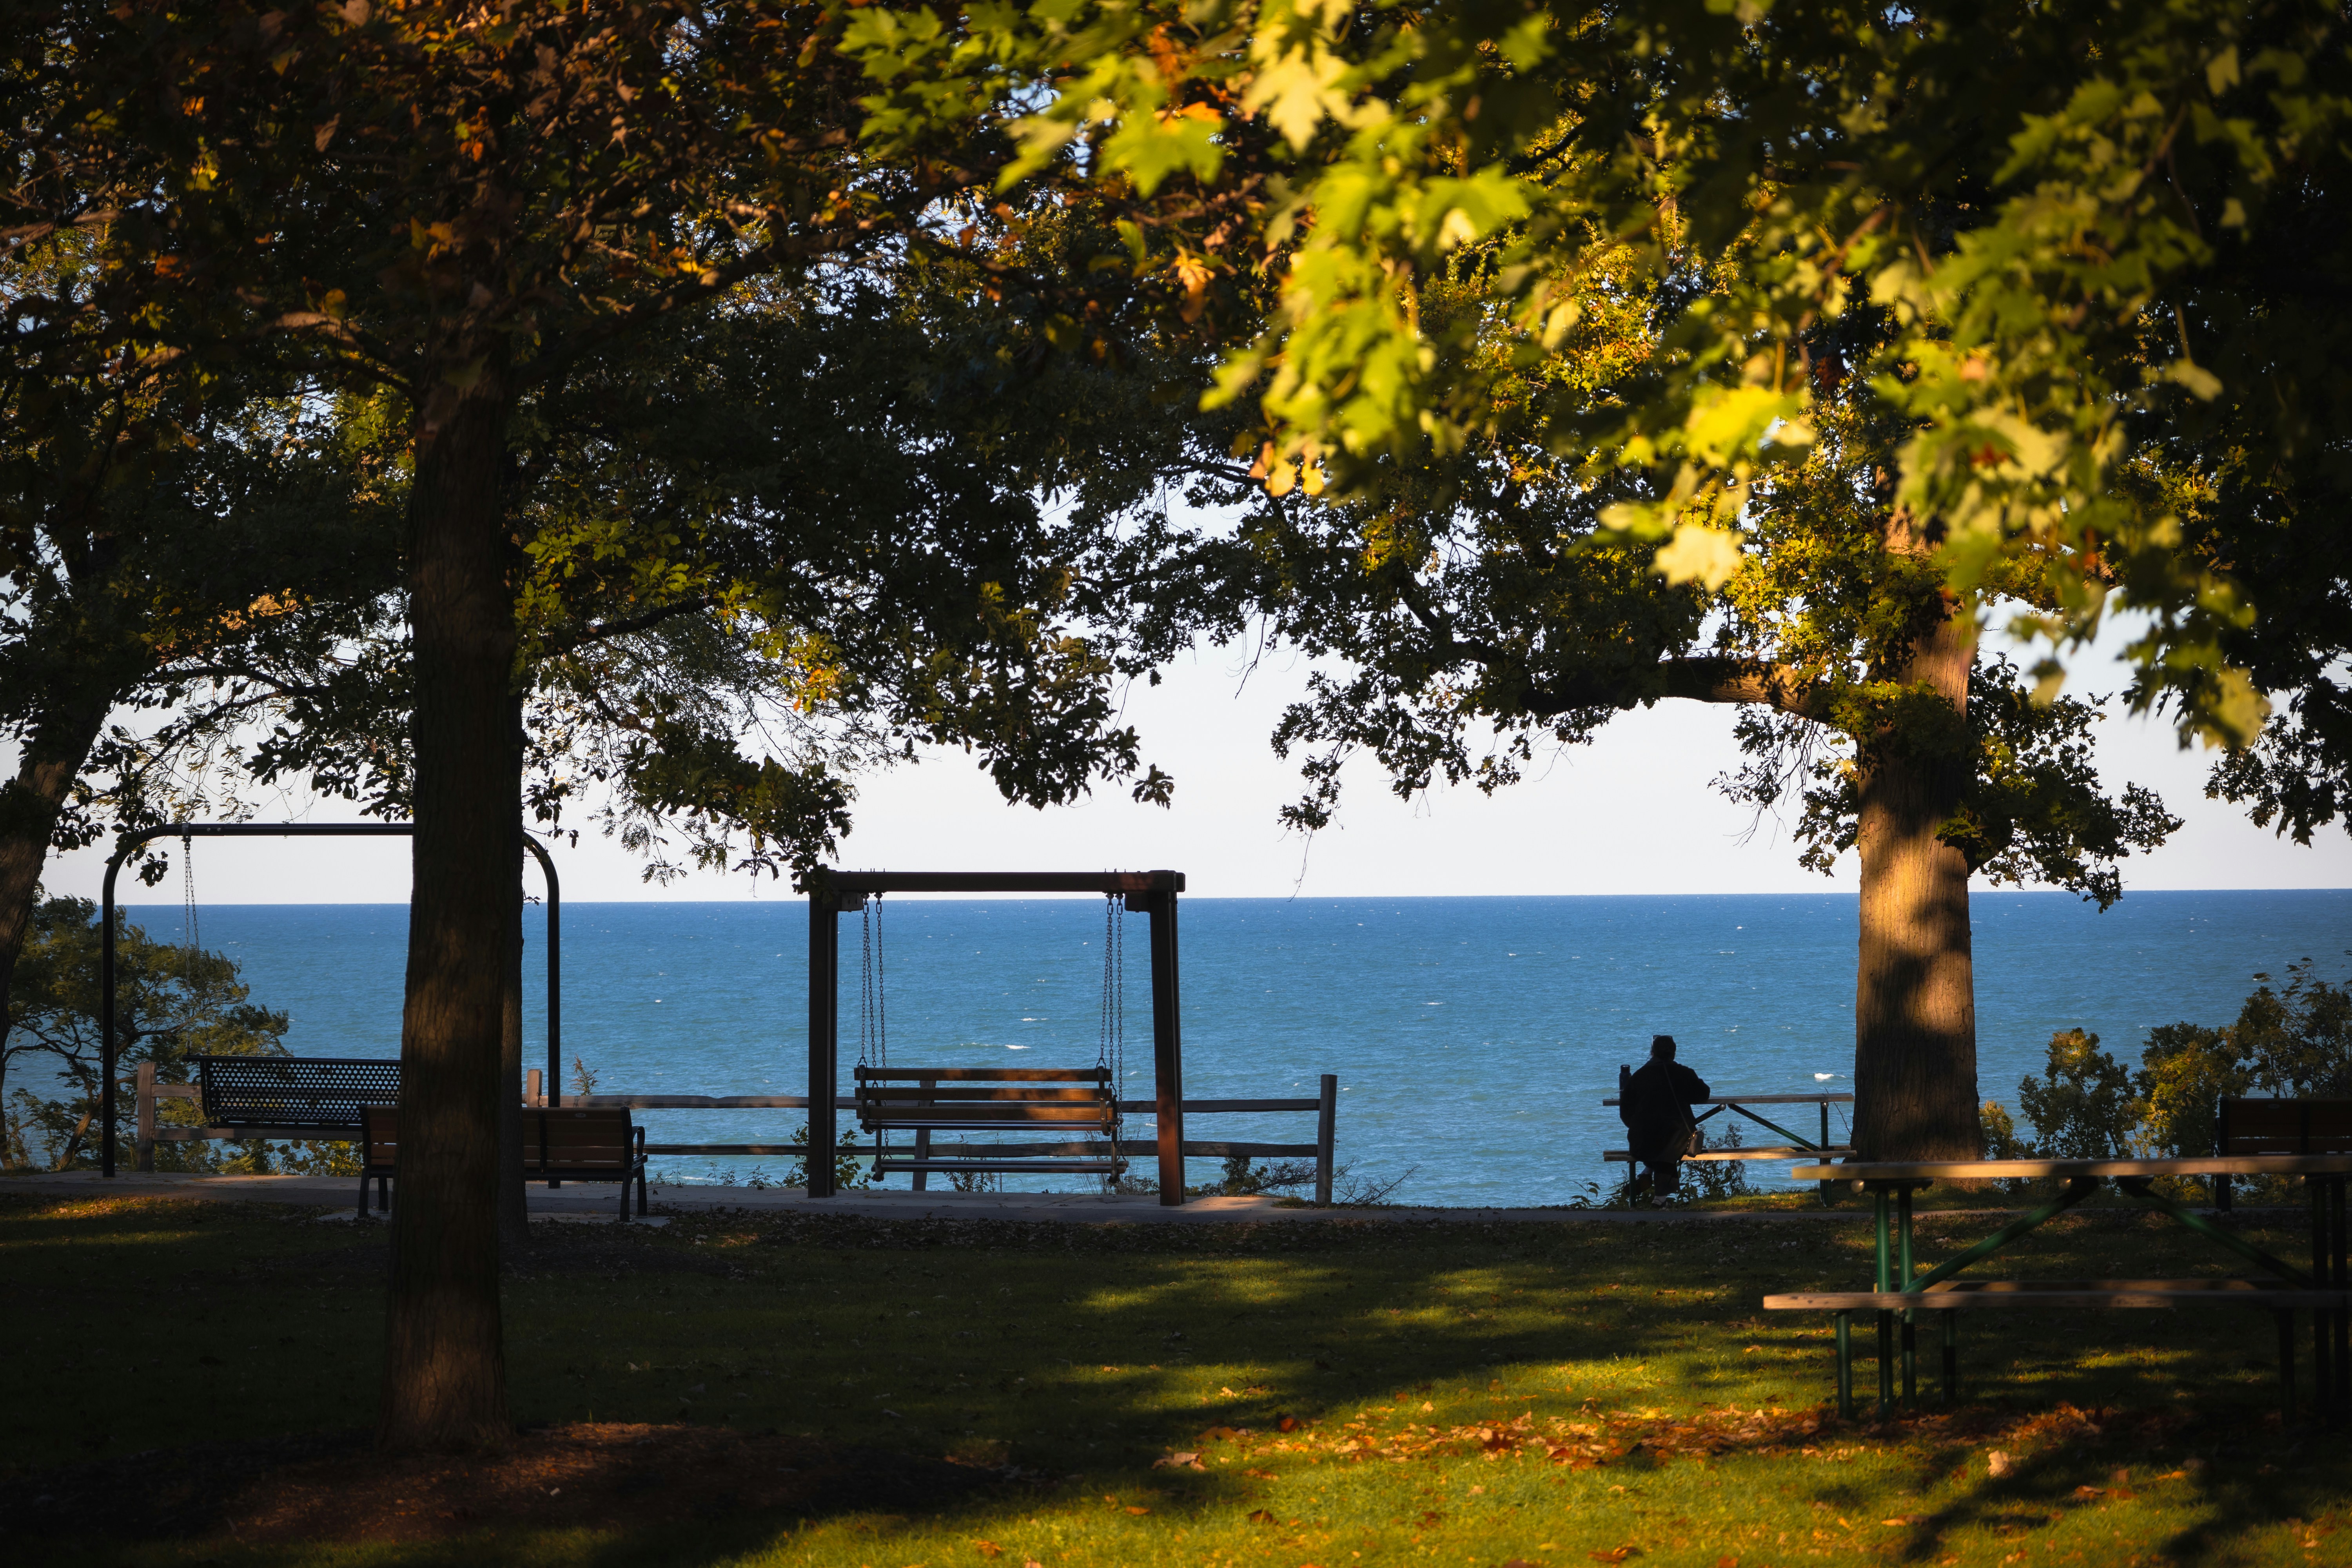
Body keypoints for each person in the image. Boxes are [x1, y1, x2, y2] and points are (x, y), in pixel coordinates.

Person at [1617, 1034, 1711, 1200]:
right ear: (1674, 1054)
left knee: (1660, 1141)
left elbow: (1625, 1110)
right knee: (1670, 1142)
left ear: (1652, 1053)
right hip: (1674, 1142)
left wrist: (1635, 1127)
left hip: (1640, 1142)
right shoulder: (1684, 1073)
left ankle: (1647, 1172)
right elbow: (1703, 1093)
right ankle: (1660, 1200)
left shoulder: (1639, 1076)